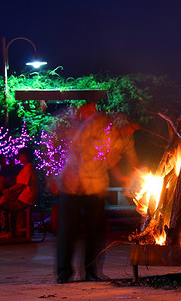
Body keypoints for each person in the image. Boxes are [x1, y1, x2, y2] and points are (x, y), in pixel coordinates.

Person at [56, 107, 140, 284]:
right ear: (123, 121)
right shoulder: (97, 124)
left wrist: (127, 177)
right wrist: (74, 173)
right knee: (69, 230)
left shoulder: (125, 138)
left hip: (96, 185)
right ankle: (64, 272)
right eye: (131, 126)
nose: (132, 130)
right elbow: (76, 147)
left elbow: (116, 161)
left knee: (95, 231)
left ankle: (91, 271)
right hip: (74, 183)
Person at [0, 148, 38, 239]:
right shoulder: (26, 168)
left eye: (20, 156)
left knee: (3, 207)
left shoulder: (28, 169)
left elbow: (21, 185)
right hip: (23, 197)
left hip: (26, 199)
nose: (19, 158)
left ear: (25, 156)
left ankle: (6, 231)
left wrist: (8, 190)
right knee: (1, 199)